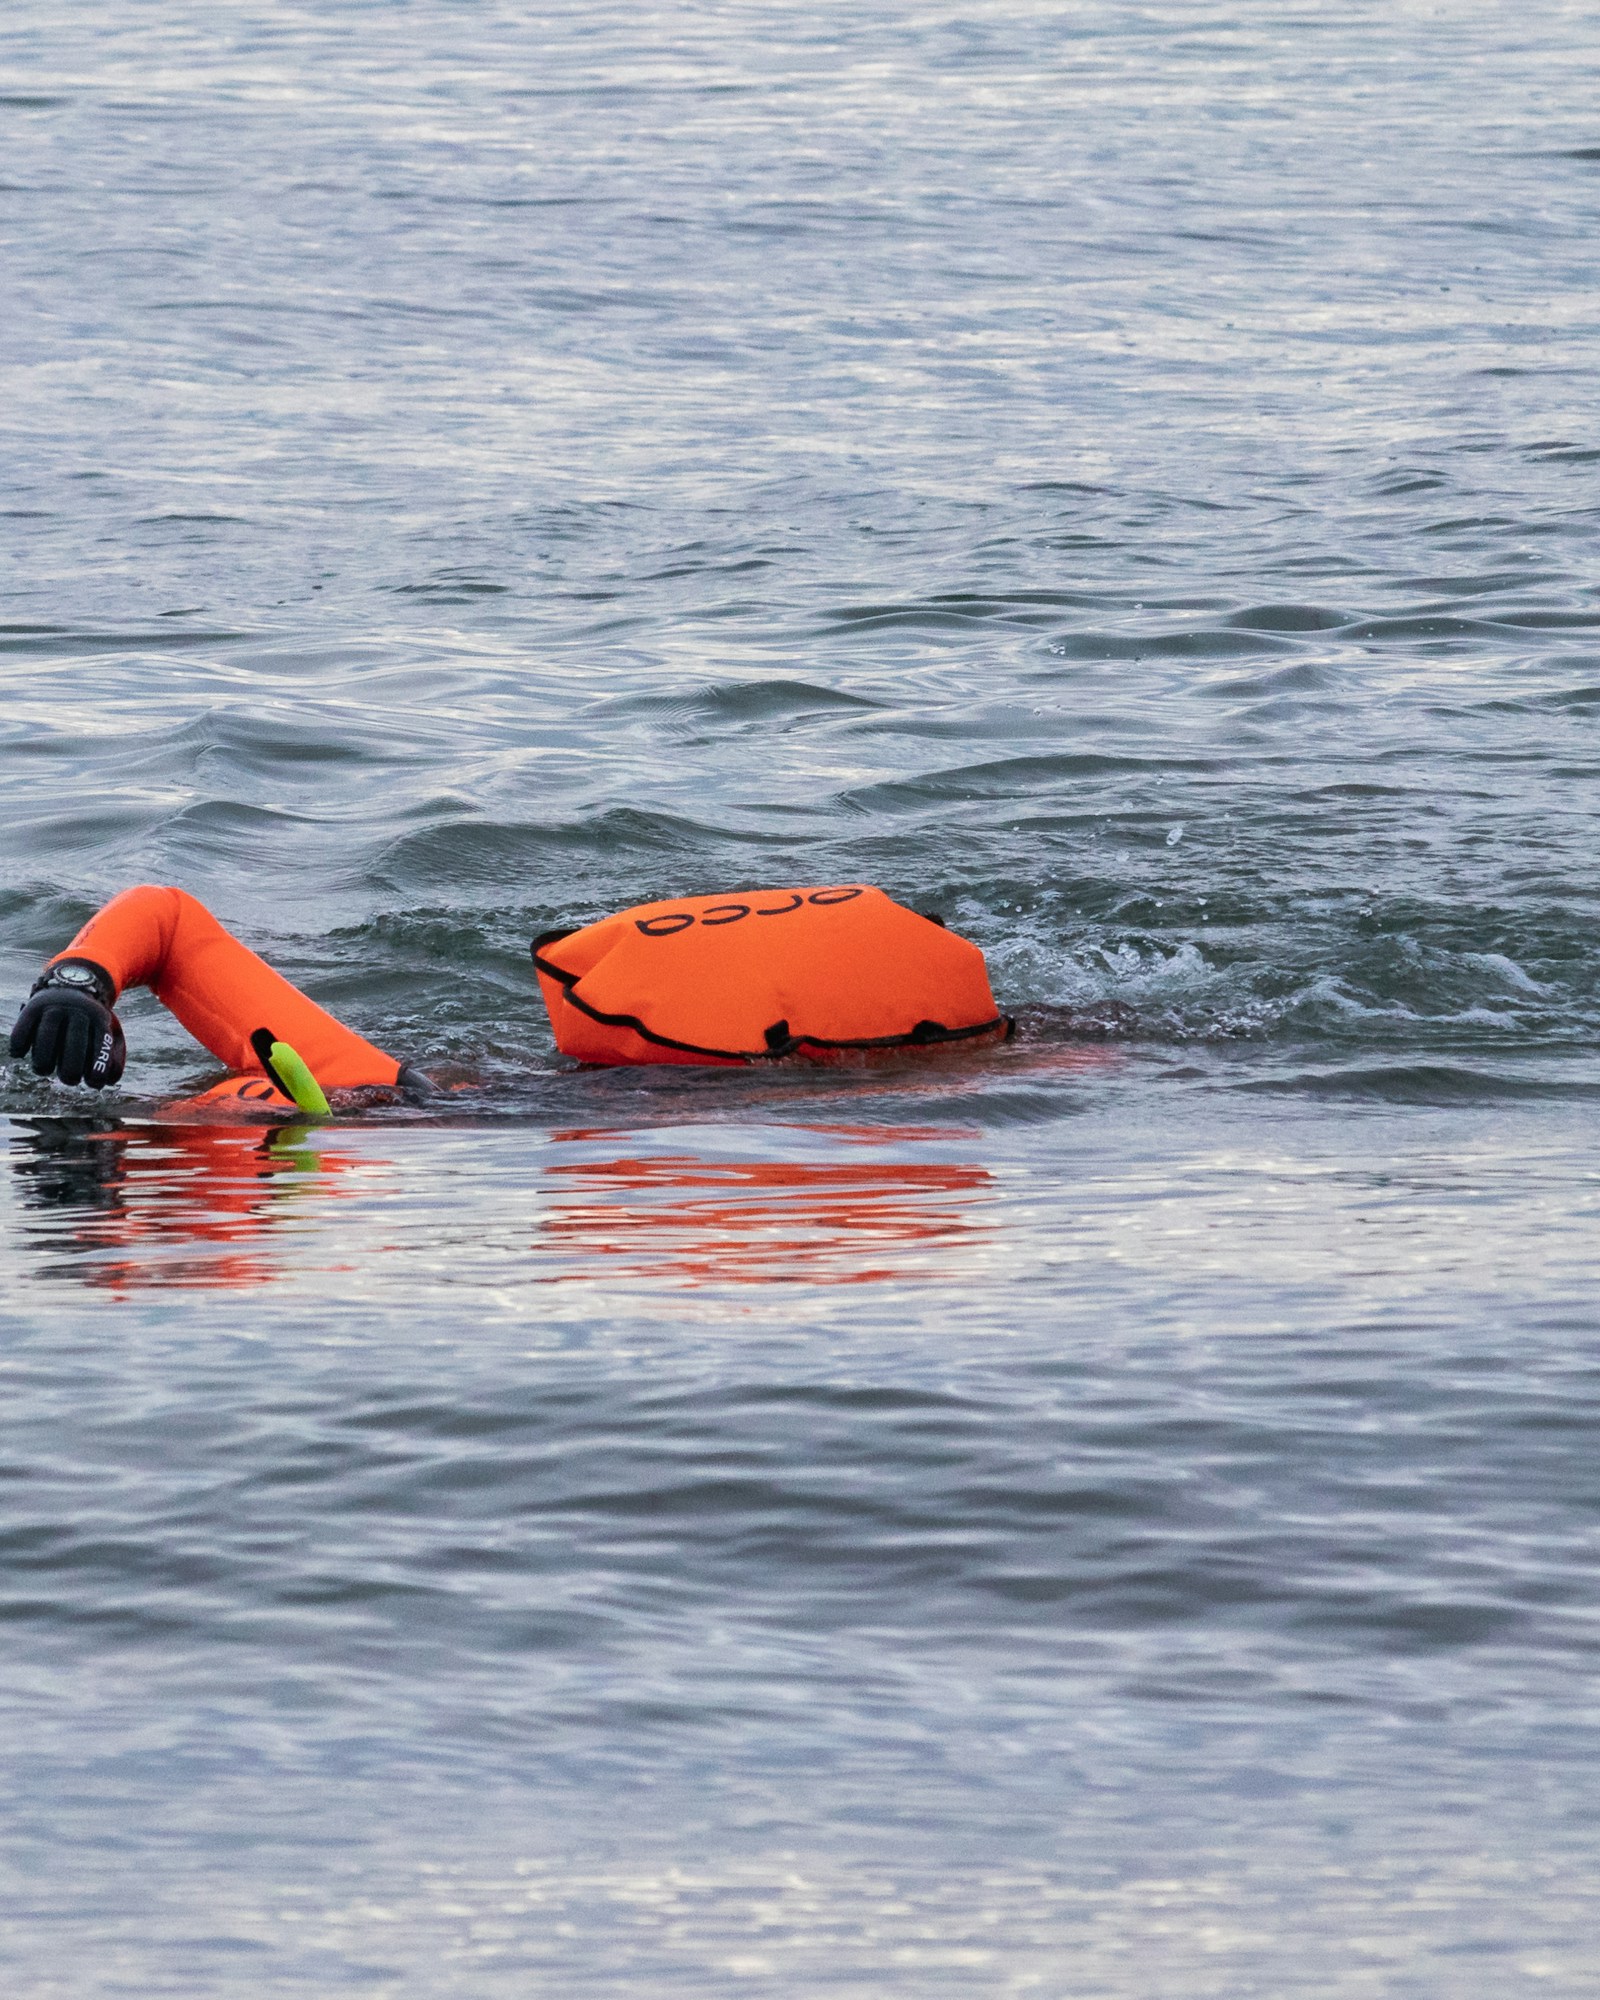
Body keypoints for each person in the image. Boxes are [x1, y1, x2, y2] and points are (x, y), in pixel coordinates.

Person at [10, 881, 1010, 1108]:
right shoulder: (349, 1086)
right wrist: (78, 981)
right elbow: (165, 915)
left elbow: (170, 917)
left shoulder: (361, 1097)